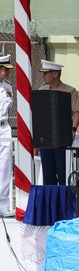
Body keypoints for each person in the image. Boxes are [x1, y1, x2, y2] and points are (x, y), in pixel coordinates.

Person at [36, 60, 79, 186]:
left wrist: (73, 130)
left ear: (55, 74)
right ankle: (51, 203)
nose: (43, 76)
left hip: (62, 137)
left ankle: (65, 202)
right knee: (48, 175)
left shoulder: (69, 91)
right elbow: (39, 115)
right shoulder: (42, 90)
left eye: (46, 73)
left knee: (63, 174)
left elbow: (77, 113)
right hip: (46, 137)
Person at [0, 55, 14, 215]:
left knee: (4, 167)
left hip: (4, 127)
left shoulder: (8, 88)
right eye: (5, 70)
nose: (8, 73)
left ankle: (3, 206)